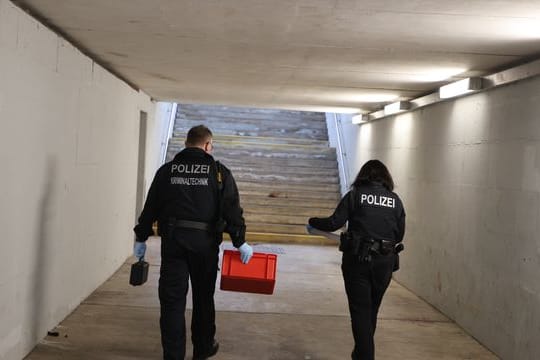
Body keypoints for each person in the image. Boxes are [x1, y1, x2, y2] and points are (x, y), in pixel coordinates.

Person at [133, 125, 253, 360]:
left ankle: (173, 355)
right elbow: (232, 210)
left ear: (187, 143)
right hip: (205, 245)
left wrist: (142, 236)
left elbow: (151, 207)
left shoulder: (167, 171)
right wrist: (240, 241)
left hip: (174, 243)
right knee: (203, 298)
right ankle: (203, 348)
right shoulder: (219, 172)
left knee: (172, 301)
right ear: (208, 145)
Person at [308, 160, 405, 360]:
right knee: (371, 310)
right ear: (386, 178)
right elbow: (399, 234)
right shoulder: (395, 200)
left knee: (360, 311)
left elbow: (334, 223)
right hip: (384, 263)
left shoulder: (356, 196)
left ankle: (365, 356)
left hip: (358, 262)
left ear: (363, 176)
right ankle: (361, 353)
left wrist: (312, 221)